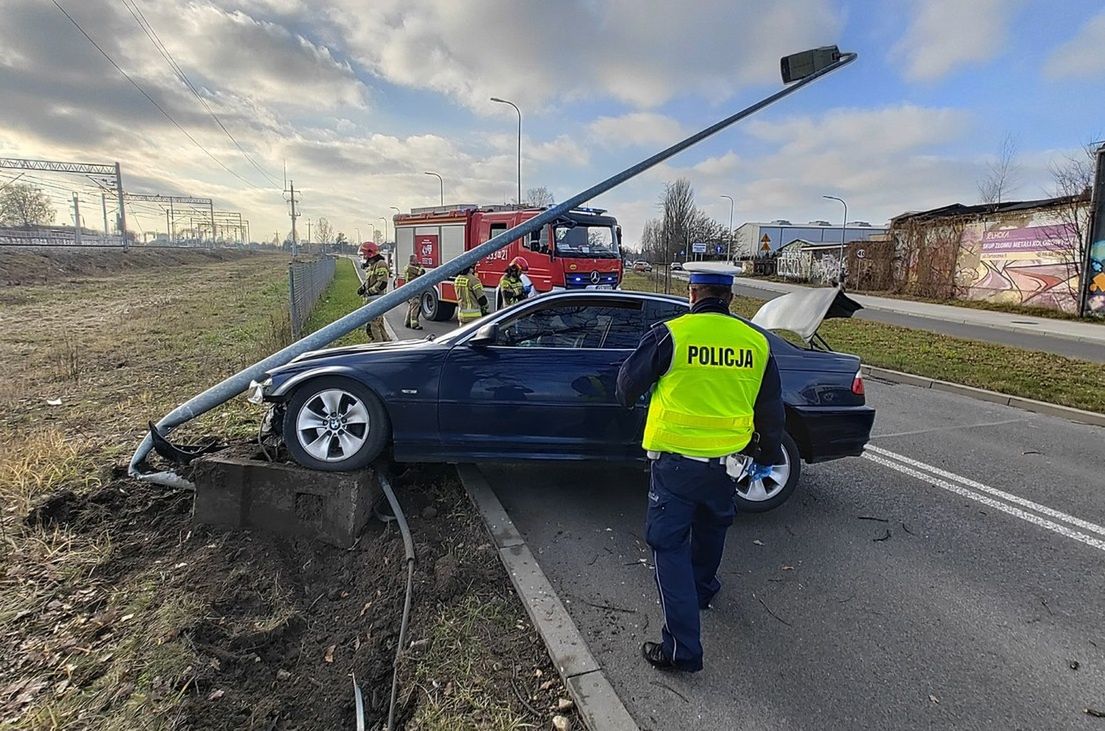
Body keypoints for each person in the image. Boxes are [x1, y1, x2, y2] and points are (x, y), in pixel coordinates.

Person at [615, 267, 785, 673]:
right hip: (727, 465)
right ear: (729, 298)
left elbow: (625, 388)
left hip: (675, 465)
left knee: (668, 545)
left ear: (693, 294)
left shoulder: (670, 335)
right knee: (712, 528)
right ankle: (704, 590)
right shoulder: (756, 343)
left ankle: (682, 650)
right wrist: (765, 451)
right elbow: (771, 411)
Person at [356, 242, 390, 342]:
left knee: (372, 326)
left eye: (364, 254)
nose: (363, 257)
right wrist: (362, 288)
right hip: (372, 300)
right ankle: (386, 343)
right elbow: (371, 281)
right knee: (379, 325)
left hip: (377, 300)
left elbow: (382, 283)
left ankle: (378, 346)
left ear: (370, 254)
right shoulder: (372, 266)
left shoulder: (380, 264)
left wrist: (369, 292)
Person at [402, 254, 425, 330]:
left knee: (411, 305)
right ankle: (414, 324)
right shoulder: (411, 268)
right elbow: (421, 272)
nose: (417, 261)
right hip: (413, 289)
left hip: (410, 288)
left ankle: (407, 322)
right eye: (416, 260)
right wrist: (421, 266)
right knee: (416, 304)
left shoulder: (407, 267)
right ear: (412, 261)